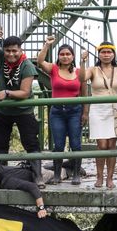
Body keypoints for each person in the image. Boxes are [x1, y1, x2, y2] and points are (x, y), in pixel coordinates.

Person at [0, 31, 43, 182]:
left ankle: (37, 176)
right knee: (1, 144)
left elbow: (25, 92)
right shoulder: (1, 57)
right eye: (8, 50)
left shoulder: (27, 66)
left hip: (23, 111)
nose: (11, 54)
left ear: (21, 51)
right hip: (3, 111)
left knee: (30, 143)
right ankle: (0, 176)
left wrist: (6, 93)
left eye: (14, 51)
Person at [36, 36, 84, 185]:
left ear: (73, 56)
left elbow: (84, 93)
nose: (65, 57)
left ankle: (76, 173)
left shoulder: (78, 72)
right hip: (57, 111)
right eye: (62, 54)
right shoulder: (54, 69)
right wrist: (47, 45)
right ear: (58, 56)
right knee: (58, 145)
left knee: (76, 144)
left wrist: (85, 112)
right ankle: (57, 175)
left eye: (68, 54)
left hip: (75, 110)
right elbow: (39, 61)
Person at [83, 43, 117, 189]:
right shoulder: (93, 70)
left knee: (111, 146)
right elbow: (81, 79)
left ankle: (110, 178)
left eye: (109, 52)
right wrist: (82, 62)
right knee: (101, 145)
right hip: (97, 109)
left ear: (113, 54)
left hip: (115, 109)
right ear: (99, 54)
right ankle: (99, 177)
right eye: (103, 52)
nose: (106, 54)